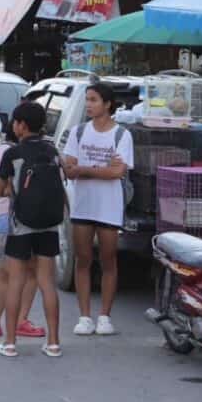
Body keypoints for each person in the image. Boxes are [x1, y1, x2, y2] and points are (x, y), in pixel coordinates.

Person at [0, 101, 63, 358]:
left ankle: (10, 343)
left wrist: (11, 188)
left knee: (16, 281)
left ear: (21, 125)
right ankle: (53, 343)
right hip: (50, 224)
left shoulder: (14, 153)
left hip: (22, 223)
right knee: (47, 283)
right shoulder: (53, 152)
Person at [64, 82, 133, 337]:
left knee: (108, 260)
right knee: (83, 259)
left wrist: (84, 169)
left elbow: (117, 172)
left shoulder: (121, 135)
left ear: (107, 104)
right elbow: (69, 168)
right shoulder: (78, 132)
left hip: (109, 207)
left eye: (94, 100)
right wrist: (96, 170)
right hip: (82, 205)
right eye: (87, 100)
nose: (89, 105)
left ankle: (104, 315)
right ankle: (84, 316)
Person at [0, 119, 43, 342]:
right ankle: (9, 321)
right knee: (18, 272)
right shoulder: (20, 151)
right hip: (20, 218)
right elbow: (1, 187)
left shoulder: (7, 150)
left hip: (10, 216)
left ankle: (1, 322)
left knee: (14, 272)